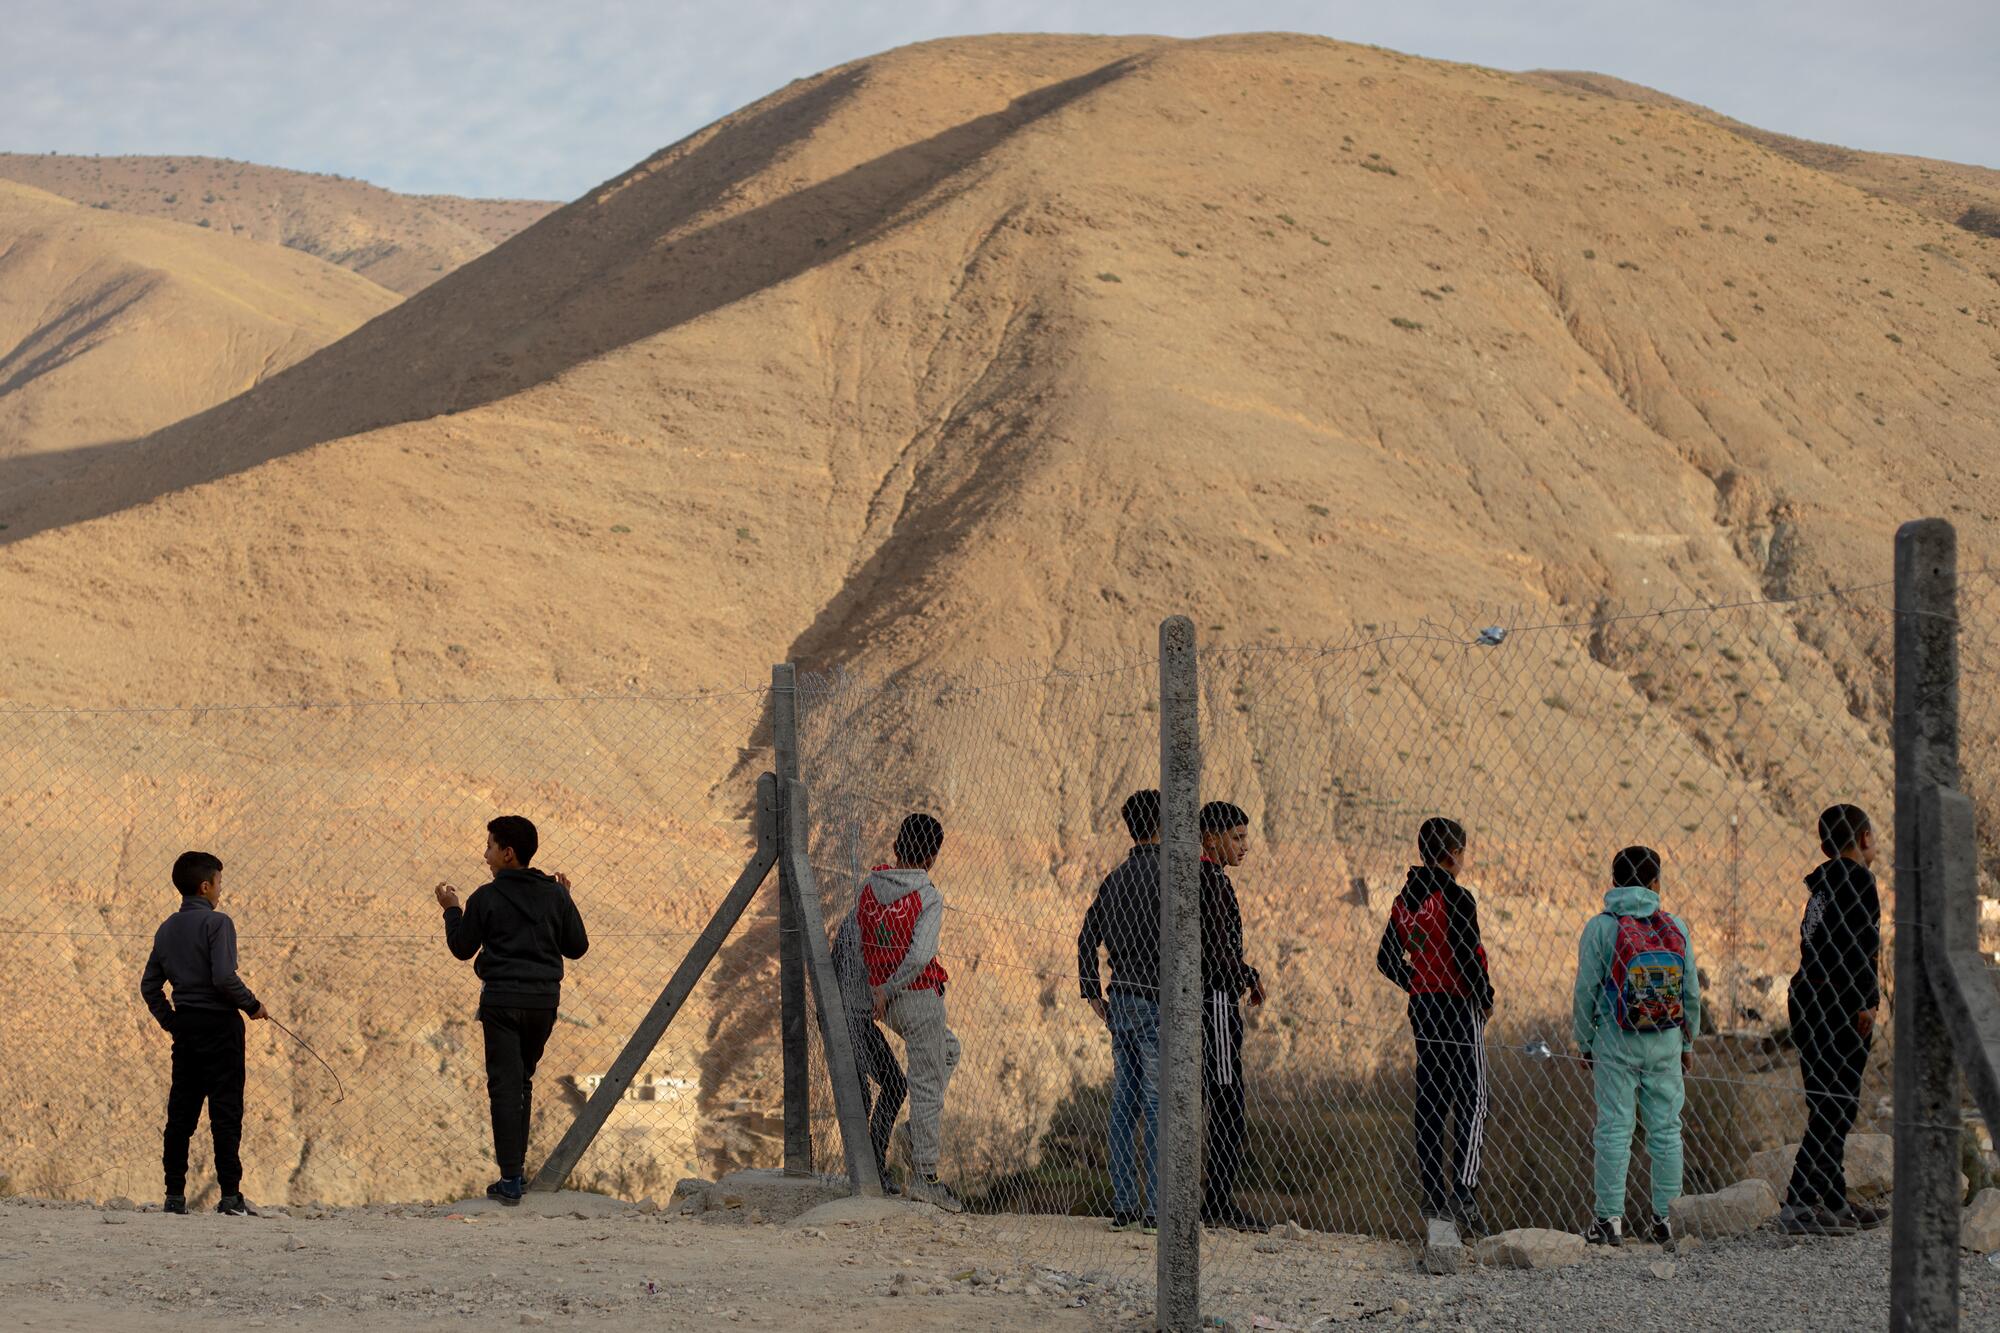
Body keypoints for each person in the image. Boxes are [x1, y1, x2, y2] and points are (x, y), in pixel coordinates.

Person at [435, 815, 588, 1206]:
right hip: (543, 1004)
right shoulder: (554, 894)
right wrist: (567, 899)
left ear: (507, 853)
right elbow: (576, 947)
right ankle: (515, 1174)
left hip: (502, 1002)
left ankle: (510, 1179)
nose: (484, 855)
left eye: (489, 846)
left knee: (504, 1086)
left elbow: (461, 948)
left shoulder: (485, 898)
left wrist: (451, 908)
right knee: (522, 1081)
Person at [1572, 845, 1701, 1247]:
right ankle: (1667, 1219)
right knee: (1665, 1130)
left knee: (1614, 1128)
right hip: (1664, 1040)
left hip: (1616, 1040)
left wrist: (1585, 1041)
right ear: (1655, 882)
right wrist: (1687, 1039)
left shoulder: (1601, 928)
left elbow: (1585, 992)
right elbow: (1691, 992)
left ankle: (1609, 1221)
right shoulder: (1675, 926)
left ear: (1613, 883)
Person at [1374, 817, 1494, 1239]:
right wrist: (1485, 995)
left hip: (1424, 1009)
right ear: (1454, 854)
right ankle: (1465, 1189)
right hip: (1459, 1006)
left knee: (1432, 1099)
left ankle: (1433, 1193)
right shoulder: (1457, 898)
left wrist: (1417, 983)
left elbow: (1386, 958)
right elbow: (1468, 953)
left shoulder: (1405, 900)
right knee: (1474, 1097)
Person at [140, 851, 270, 1216]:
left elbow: (149, 986)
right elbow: (224, 977)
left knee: (181, 1112)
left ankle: (174, 1196)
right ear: (205, 886)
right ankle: (230, 1196)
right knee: (225, 1111)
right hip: (221, 1028)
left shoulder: (166, 929)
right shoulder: (219, 924)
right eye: (218, 884)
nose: (220, 892)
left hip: (187, 1028)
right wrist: (252, 1004)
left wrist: (172, 1022)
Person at [1779, 804, 1886, 1236]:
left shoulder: (1821, 886)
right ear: (1862, 840)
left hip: (1807, 998)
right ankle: (1799, 1204)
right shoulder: (1860, 880)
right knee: (1836, 1105)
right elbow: (1863, 944)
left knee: (1827, 1102)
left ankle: (1835, 1200)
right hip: (1840, 1002)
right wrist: (1868, 1001)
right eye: (1874, 837)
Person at [859, 813, 961, 1212]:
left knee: (948, 1051)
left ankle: (915, 1136)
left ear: (896, 846)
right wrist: (892, 985)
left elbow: (864, 939)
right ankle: (924, 1175)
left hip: (886, 1001)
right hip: (915, 997)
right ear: (932, 857)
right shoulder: (928, 896)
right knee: (926, 1084)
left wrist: (879, 987)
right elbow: (920, 955)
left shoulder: (869, 887)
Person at [1078, 790, 1165, 1233]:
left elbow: (1085, 938)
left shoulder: (1115, 880)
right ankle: (1156, 1208)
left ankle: (1125, 1203)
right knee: (1156, 1104)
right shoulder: (1173, 876)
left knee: (1124, 1104)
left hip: (1123, 997)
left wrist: (1093, 994)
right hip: (1159, 1000)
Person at [1198, 801, 1267, 1231]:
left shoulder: (1201, 878)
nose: (1245, 846)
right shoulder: (1212, 883)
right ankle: (1218, 1201)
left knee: (1216, 1101)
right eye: (1236, 837)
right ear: (1211, 837)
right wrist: (1249, 975)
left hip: (1205, 999)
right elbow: (1219, 953)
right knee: (1228, 1103)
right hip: (1217, 1002)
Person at [831, 900, 907, 1190]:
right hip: (847, 1015)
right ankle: (866, 1174)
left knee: (894, 1085)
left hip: (858, 1015)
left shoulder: (872, 914)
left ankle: (873, 1167)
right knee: (861, 1094)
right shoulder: (873, 916)